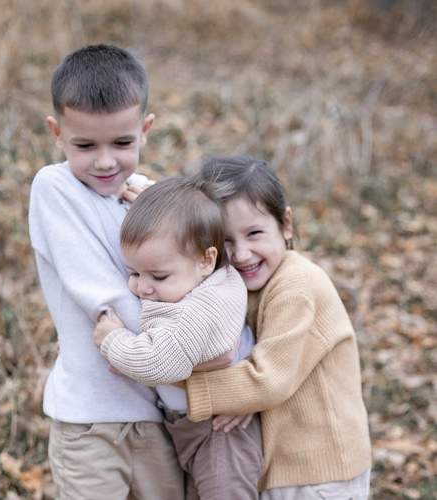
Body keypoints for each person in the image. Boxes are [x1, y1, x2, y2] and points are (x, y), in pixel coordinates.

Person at [28, 44, 184, 499]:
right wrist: (178, 366)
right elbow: (105, 299)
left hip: (155, 418)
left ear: (145, 130)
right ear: (57, 133)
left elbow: (197, 279)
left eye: (122, 143)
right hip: (89, 419)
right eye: (85, 145)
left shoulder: (151, 198)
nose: (104, 161)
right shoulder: (55, 187)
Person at [185, 155, 372, 499]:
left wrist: (186, 388)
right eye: (226, 241)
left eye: (254, 233)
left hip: (320, 472)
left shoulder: (296, 286)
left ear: (286, 224)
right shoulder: (242, 287)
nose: (241, 254)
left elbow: (268, 380)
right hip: (286, 468)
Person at [93, 176, 262, 500]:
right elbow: (192, 230)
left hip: (219, 434)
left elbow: (157, 362)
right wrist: (155, 212)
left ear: (206, 260)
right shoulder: (206, 273)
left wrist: (113, 340)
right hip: (196, 425)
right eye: (134, 273)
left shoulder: (203, 307)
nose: (142, 287)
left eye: (158, 276)